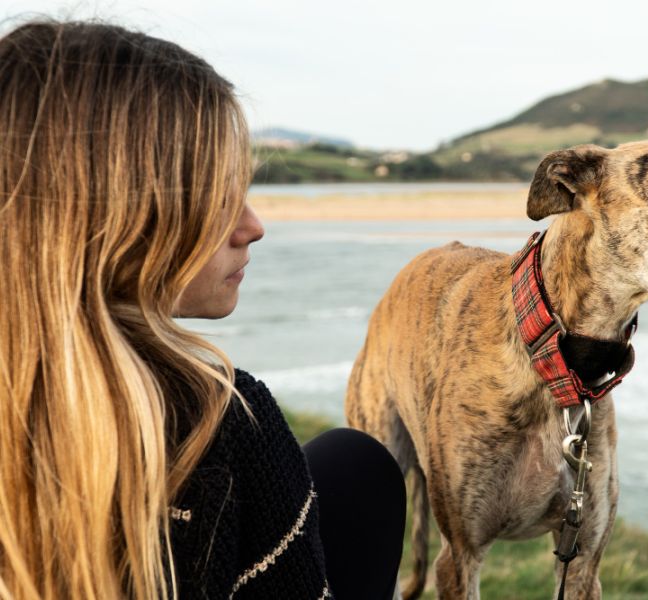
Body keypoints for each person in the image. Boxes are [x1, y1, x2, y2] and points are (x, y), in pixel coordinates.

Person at [0, 20, 405, 599]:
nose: (253, 227)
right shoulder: (222, 419)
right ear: (115, 217)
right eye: (218, 197)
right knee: (355, 470)